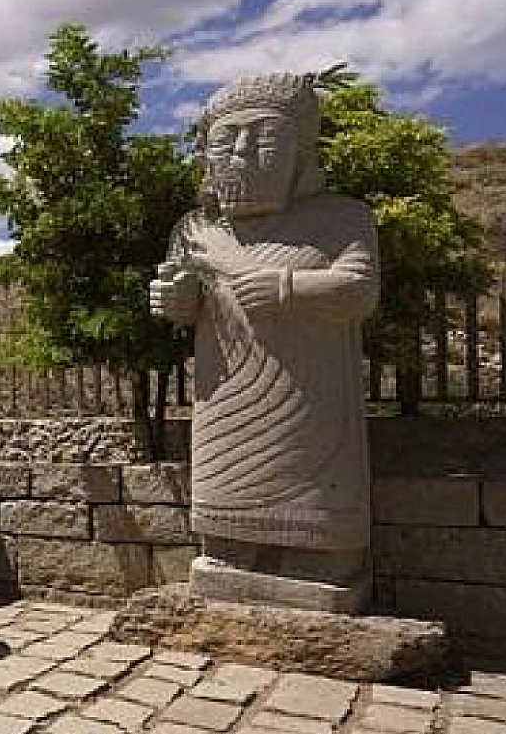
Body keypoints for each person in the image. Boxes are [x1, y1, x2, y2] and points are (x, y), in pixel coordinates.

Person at [149, 72, 379, 612]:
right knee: (224, 509)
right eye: (226, 142)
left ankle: (321, 562)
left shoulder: (341, 217)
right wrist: (174, 299)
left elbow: (360, 289)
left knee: (314, 497)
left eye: (265, 139)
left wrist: (286, 287)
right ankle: (228, 551)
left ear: (300, 152)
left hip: (307, 394)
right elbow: (184, 300)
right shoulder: (194, 230)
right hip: (224, 390)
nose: (243, 155)